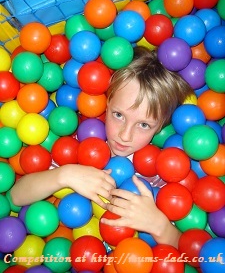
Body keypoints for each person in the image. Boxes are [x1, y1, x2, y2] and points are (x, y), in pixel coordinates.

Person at [10, 46, 194, 248]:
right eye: (118, 115)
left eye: (144, 125)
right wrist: (66, 175)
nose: (125, 135)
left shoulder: (160, 174)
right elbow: (16, 196)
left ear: (161, 127)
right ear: (106, 104)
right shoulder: (80, 146)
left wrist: (160, 226)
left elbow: (195, 257)